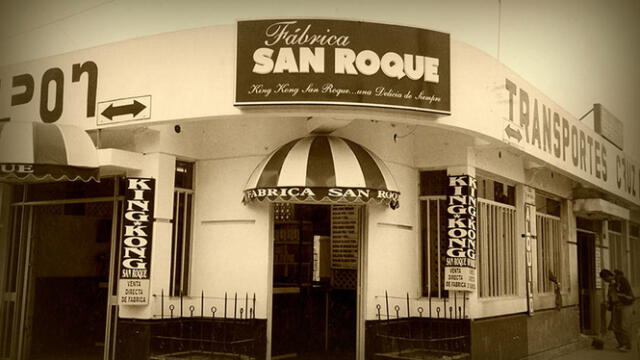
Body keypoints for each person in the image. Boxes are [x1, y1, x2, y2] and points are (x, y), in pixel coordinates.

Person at [600, 268, 634, 352]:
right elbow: (611, 296)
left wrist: (617, 287)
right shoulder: (610, 285)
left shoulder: (621, 280)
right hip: (616, 306)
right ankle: (621, 343)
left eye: (605, 279)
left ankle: (627, 345)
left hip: (625, 305)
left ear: (608, 276)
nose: (605, 281)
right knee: (615, 327)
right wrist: (609, 304)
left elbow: (626, 291)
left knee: (624, 326)